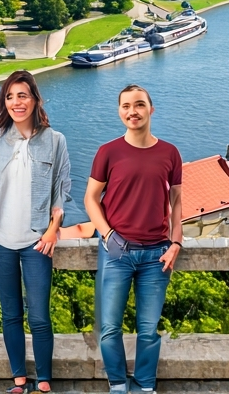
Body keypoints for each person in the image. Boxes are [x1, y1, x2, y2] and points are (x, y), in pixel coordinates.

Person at [0, 71, 70, 394]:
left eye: (23, 95)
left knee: (39, 315)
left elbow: (61, 190)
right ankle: (18, 379)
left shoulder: (55, 141)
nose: (17, 102)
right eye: (11, 97)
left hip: (37, 241)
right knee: (10, 312)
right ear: (5, 102)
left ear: (35, 99)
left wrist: (53, 231)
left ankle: (43, 380)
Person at [84, 84, 183, 394]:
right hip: (117, 251)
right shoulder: (108, 152)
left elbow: (178, 201)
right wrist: (108, 234)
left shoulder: (169, 153)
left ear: (151, 109)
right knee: (109, 329)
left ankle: (144, 386)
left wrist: (176, 242)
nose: (132, 111)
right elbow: (90, 197)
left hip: (157, 255)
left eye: (139, 105)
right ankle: (117, 384)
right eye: (126, 106)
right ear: (119, 112)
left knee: (148, 330)